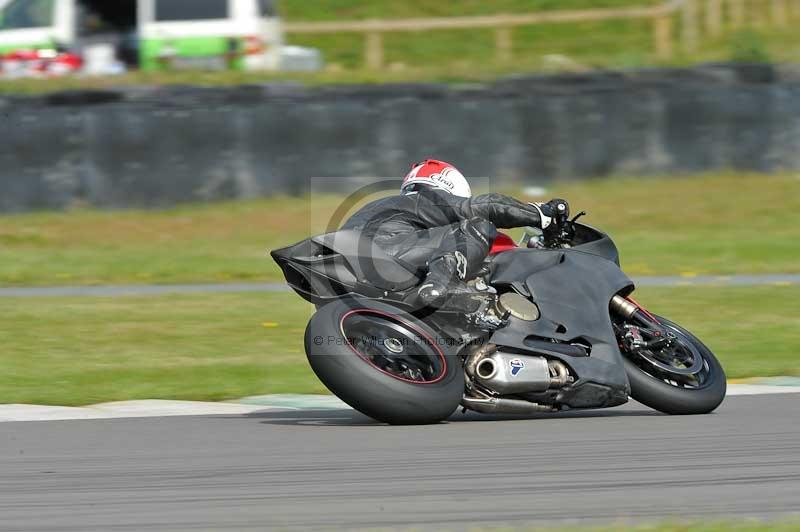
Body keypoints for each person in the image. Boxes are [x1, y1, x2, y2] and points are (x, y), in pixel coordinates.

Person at [341, 159, 570, 317]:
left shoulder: (385, 208)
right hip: (387, 255)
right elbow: (486, 207)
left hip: (355, 275)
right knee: (479, 224)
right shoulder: (427, 199)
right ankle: (442, 285)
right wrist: (542, 214)